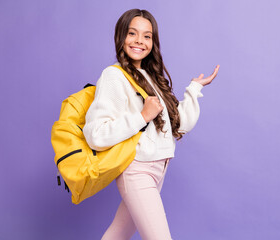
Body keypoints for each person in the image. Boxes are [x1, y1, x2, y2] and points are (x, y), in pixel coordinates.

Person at [83, 8, 220, 240]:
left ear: (153, 42)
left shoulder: (149, 76)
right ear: (121, 37)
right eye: (132, 34)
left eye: (147, 36)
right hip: (137, 170)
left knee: (117, 234)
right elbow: (96, 134)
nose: (139, 41)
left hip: (158, 168)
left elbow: (180, 125)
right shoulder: (113, 76)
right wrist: (142, 117)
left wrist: (194, 89)